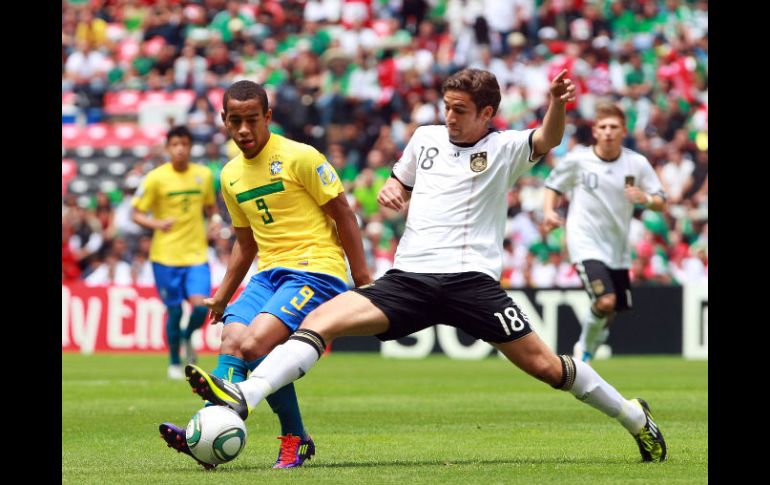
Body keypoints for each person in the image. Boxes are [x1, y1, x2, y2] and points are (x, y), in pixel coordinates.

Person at [183, 69, 667, 464]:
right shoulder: (424, 140)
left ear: (487, 114)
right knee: (316, 323)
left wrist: (557, 104)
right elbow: (402, 181)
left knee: (548, 367)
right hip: (409, 278)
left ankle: (632, 417)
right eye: (447, 108)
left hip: (472, 283)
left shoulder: (503, 149)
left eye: (460, 110)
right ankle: (244, 395)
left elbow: (548, 136)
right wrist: (396, 189)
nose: (450, 118)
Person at [158, 81, 371, 469]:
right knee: (232, 340)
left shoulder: (300, 156)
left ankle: (280, 437)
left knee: (257, 345)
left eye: (252, 120)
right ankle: (210, 434)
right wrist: (223, 294)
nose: (244, 130)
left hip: (316, 270)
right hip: (269, 272)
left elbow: (343, 213)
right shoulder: (229, 175)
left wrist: (363, 279)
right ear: (223, 120)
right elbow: (245, 242)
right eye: (235, 121)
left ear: (267, 117)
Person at [542, 102, 666, 363]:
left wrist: (645, 198)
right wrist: (549, 212)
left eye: (614, 127)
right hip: (584, 241)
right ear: (595, 131)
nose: (608, 131)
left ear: (623, 130)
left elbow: (661, 200)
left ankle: (593, 343)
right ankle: (582, 352)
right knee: (606, 300)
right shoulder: (578, 160)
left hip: (617, 248)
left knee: (610, 310)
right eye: (603, 127)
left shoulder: (637, 163)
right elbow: (552, 185)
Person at [132, 126, 218, 380]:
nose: (180, 149)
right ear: (168, 148)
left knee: (201, 308)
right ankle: (173, 361)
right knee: (175, 311)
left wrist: (213, 220)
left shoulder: (203, 175)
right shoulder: (156, 178)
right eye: (175, 144)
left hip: (196, 255)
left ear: (191, 147)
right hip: (165, 256)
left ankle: (187, 335)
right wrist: (156, 224)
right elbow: (135, 213)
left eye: (185, 144)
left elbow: (211, 208)